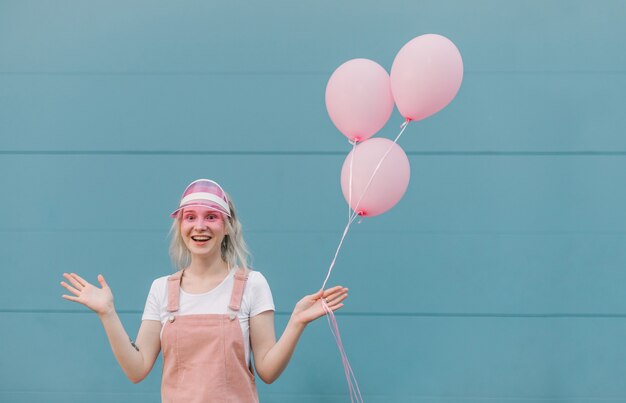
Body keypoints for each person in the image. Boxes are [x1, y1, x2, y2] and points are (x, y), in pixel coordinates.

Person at [60, 178, 348, 402]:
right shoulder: (162, 289)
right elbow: (137, 369)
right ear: (180, 226)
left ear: (227, 227)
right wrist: (108, 314)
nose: (200, 226)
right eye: (191, 217)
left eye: (211, 216)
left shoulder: (252, 285)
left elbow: (268, 371)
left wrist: (296, 322)